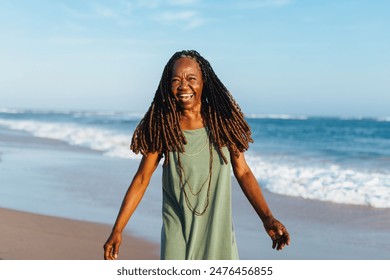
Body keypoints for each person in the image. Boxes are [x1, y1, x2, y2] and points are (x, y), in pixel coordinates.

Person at [103, 50, 290, 260]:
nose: (184, 86)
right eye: (176, 80)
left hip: (216, 230)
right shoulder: (164, 126)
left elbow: (243, 172)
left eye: (191, 78)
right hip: (178, 231)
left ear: (204, 82)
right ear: (168, 85)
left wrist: (267, 218)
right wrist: (118, 229)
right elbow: (142, 178)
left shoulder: (223, 122)